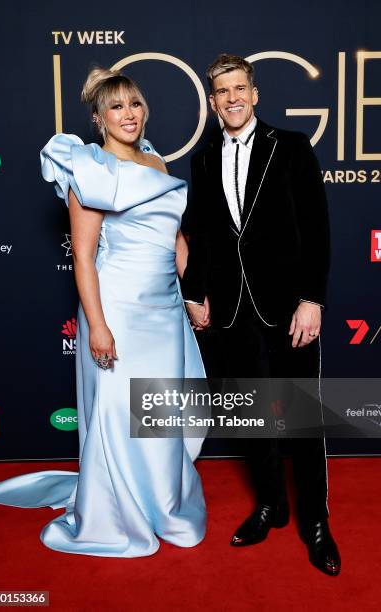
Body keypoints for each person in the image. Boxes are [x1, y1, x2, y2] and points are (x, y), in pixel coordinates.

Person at [0, 68, 206, 557]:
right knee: (117, 411)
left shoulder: (158, 162)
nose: (129, 115)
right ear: (99, 117)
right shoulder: (89, 168)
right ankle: (118, 511)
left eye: (135, 104)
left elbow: (177, 240)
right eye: (117, 107)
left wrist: (193, 294)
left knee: (160, 411)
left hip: (164, 310)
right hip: (117, 309)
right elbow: (83, 255)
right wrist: (97, 325)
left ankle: (161, 501)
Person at [181, 54, 341, 576]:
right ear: (212, 101)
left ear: (255, 94)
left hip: (288, 306)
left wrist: (312, 299)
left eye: (239, 88)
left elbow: (315, 229)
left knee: (302, 420)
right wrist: (194, 293)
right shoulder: (202, 161)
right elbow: (201, 235)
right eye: (222, 91)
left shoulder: (291, 148)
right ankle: (272, 505)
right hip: (231, 311)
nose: (231, 98)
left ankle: (316, 523)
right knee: (253, 419)